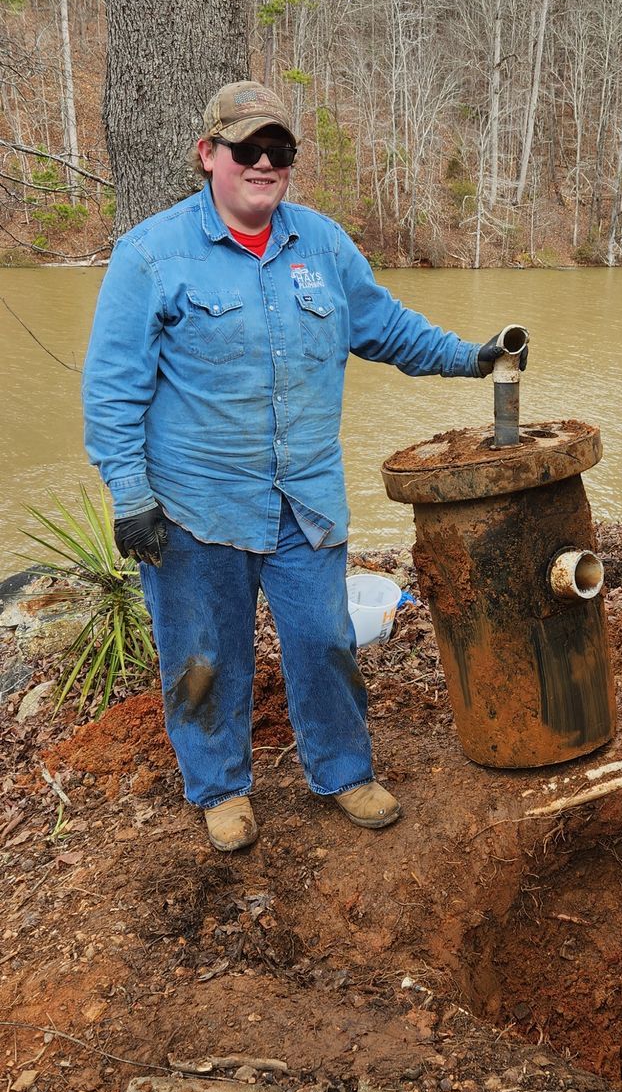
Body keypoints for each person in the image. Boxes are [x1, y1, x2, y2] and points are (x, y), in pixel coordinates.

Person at [83, 80, 527, 853]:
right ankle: (220, 788)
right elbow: (112, 389)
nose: (262, 163)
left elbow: (385, 326)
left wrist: (471, 357)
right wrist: (130, 496)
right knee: (201, 658)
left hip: (305, 501)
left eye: (278, 151)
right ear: (207, 155)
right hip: (194, 507)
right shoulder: (151, 255)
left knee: (325, 638)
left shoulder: (321, 246)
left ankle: (343, 771)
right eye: (245, 149)